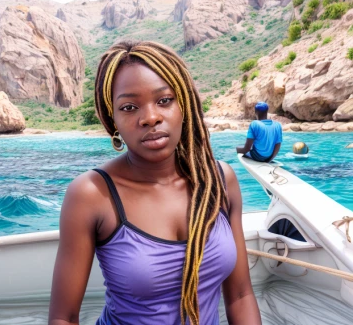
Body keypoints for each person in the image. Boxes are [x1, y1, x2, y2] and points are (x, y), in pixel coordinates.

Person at [49, 41, 261, 325]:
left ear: (183, 105)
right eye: (129, 107)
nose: (150, 117)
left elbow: (240, 296)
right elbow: (64, 318)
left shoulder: (219, 181)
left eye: (164, 100)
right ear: (113, 120)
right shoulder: (91, 195)